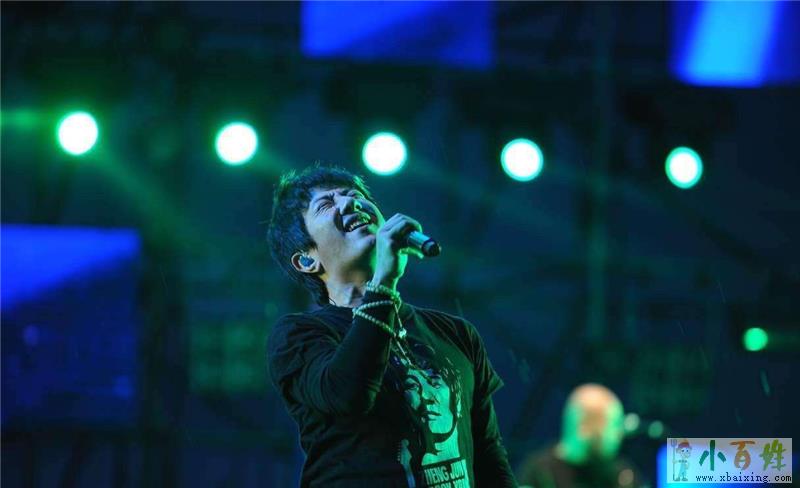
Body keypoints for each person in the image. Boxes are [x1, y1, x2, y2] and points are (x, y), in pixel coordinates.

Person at [266, 164, 517, 487]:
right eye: (326, 204)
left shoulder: (455, 333)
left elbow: (487, 453)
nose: (350, 202)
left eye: (354, 194)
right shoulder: (298, 336)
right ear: (306, 259)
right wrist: (383, 282)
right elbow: (347, 395)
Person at [516, 383, 644, 488]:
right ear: (584, 427)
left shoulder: (624, 476)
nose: (619, 434)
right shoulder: (538, 473)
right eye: (614, 425)